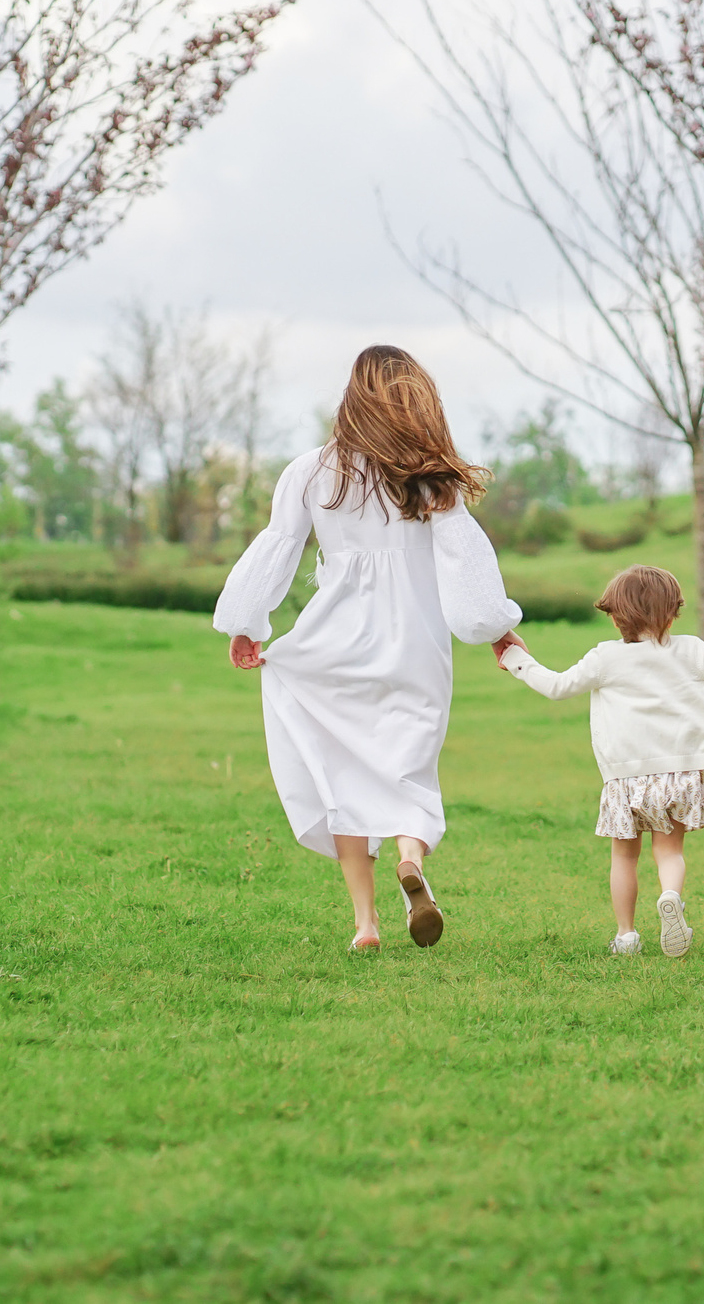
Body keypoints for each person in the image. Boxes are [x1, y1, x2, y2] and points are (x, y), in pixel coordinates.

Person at [213, 345, 521, 952]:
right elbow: (467, 566)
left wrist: (246, 624)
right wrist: (494, 627)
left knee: (338, 773)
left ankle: (366, 924)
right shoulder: (431, 477)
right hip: (415, 639)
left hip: (333, 640)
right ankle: (411, 859)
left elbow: (278, 550)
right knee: (408, 762)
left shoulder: (309, 471)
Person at [494, 565, 704, 958]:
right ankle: (671, 896)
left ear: (615, 615)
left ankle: (626, 936)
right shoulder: (690, 649)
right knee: (670, 851)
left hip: (626, 779)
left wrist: (515, 657)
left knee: (624, 856)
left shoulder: (605, 657)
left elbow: (557, 687)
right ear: (674, 612)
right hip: (680, 774)